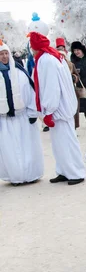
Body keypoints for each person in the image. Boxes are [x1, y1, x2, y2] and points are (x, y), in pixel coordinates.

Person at [29, 32, 86, 185]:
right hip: (60, 108)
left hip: (58, 109)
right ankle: (64, 170)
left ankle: (75, 172)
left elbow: (50, 87)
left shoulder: (46, 60)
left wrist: (49, 110)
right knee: (58, 143)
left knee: (66, 141)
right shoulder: (51, 57)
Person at [0, 41, 44, 185]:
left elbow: (30, 91)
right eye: (1, 54)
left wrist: (32, 113)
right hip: (5, 119)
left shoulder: (19, 71)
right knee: (10, 150)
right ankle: (16, 177)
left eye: (6, 53)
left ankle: (30, 174)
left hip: (22, 117)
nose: (4, 56)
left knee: (27, 146)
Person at [56, 38, 80, 129]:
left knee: (72, 107)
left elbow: (76, 76)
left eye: (62, 48)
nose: (60, 50)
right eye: (58, 48)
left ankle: (73, 126)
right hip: (59, 91)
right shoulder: (54, 64)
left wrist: (73, 78)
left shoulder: (70, 64)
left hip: (71, 89)